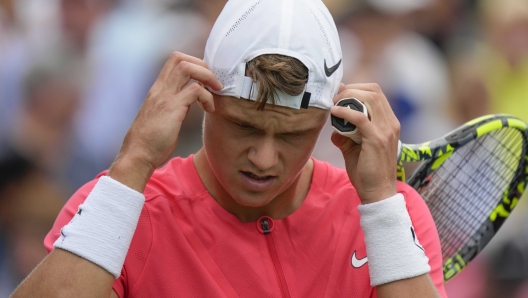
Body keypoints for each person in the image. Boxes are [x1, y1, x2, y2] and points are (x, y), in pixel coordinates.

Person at [12, 0, 446, 297]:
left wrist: (381, 205)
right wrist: (136, 158)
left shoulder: (387, 214)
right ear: (201, 99)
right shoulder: (120, 205)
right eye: (243, 126)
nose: (263, 158)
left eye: (294, 135)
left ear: (333, 120)